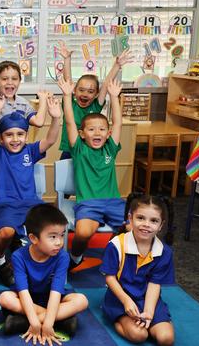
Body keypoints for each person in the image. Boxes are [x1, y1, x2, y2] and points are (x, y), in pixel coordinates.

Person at [0, 91, 62, 287]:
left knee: (51, 228)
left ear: (26, 136)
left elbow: (51, 140)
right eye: (9, 135)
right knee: (5, 233)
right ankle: (0, 261)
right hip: (7, 205)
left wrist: (56, 118)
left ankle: (44, 265)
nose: (15, 139)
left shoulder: (31, 151)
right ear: (2, 139)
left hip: (32, 204)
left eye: (20, 134)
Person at [58, 77, 126, 270]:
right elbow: (70, 122)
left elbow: (118, 123)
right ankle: (76, 256)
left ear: (108, 133)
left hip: (114, 202)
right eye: (92, 129)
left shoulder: (110, 150)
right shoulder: (79, 150)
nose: (97, 133)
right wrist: (66, 95)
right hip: (88, 203)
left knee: (133, 227)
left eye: (102, 130)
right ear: (82, 134)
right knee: (82, 233)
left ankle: (115, 255)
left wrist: (114, 97)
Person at [0, 204, 89, 344]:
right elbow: (23, 292)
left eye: (62, 235)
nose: (59, 242)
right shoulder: (18, 256)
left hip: (52, 299)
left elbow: (56, 292)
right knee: (5, 298)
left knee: (81, 300)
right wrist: (35, 322)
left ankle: (22, 322)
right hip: (27, 300)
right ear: (34, 238)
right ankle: (61, 321)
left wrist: (46, 324)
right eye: (52, 237)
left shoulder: (62, 257)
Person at [100, 195, 175, 346]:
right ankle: (115, 318)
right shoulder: (116, 245)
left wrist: (149, 312)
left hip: (147, 298)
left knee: (166, 339)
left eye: (154, 221)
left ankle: (149, 320)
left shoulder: (164, 252)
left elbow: (155, 284)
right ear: (130, 218)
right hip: (120, 298)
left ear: (161, 225)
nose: (146, 224)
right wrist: (126, 301)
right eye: (140, 218)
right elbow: (110, 278)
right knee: (138, 335)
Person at [57, 41, 131, 159]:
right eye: (81, 90)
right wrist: (67, 59)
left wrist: (117, 65)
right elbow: (68, 81)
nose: (85, 94)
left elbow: (106, 84)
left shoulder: (96, 106)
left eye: (90, 91)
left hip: (90, 152)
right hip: (69, 152)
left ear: (96, 94)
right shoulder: (70, 104)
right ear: (74, 90)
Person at [0, 33, 47, 128]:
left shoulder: (23, 104)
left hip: (15, 143)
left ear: (20, 81)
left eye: (14, 79)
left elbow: (39, 122)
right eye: (4, 79)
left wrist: (43, 100)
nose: (10, 82)